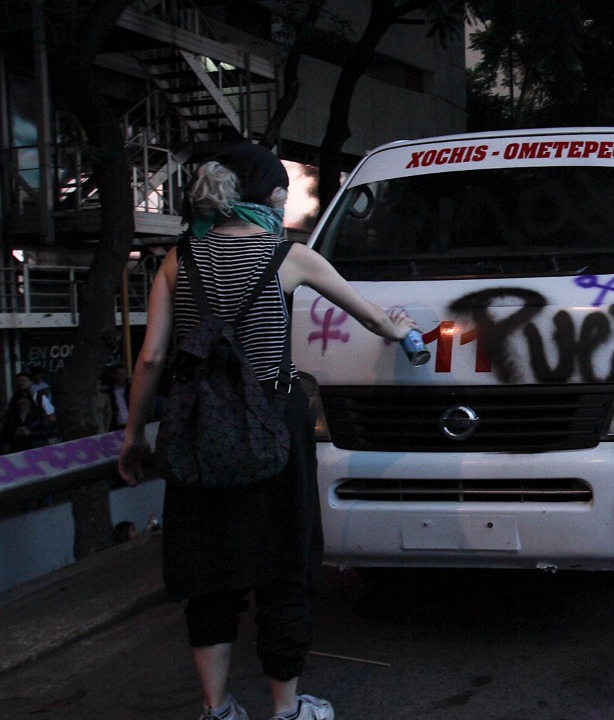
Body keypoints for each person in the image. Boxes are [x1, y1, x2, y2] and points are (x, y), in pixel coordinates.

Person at [117, 143, 419, 720]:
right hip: (273, 431)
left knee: (210, 573)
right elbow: (373, 317)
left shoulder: (180, 260)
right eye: (280, 187)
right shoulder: (290, 258)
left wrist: (133, 436)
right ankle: (286, 709)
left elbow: (151, 360)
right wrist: (400, 328)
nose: (285, 196)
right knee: (283, 565)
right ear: (265, 194)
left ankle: (217, 707)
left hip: (199, 429)